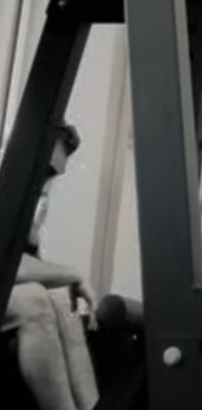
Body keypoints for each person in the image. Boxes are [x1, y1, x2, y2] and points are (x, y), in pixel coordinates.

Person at [2, 124, 99, 410]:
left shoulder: (29, 203)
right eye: (45, 171)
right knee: (34, 300)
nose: (46, 184)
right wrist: (76, 273)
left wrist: (67, 281)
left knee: (60, 298)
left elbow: (28, 262)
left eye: (53, 175)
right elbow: (7, 266)